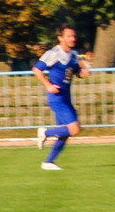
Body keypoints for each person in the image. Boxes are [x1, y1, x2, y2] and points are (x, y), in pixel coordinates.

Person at [33, 25, 90, 171]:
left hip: (66, 97)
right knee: (74, 129)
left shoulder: (74, 54)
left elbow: (76, 72)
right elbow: (37, 69)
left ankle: (48, 162)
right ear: (60, 38)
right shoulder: (53, 53)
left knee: (65, 133)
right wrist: (48, 85)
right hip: (56, 97)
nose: (73, 39)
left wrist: (83, 72)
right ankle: (45, 133)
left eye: (74, 36)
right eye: (69, 36)